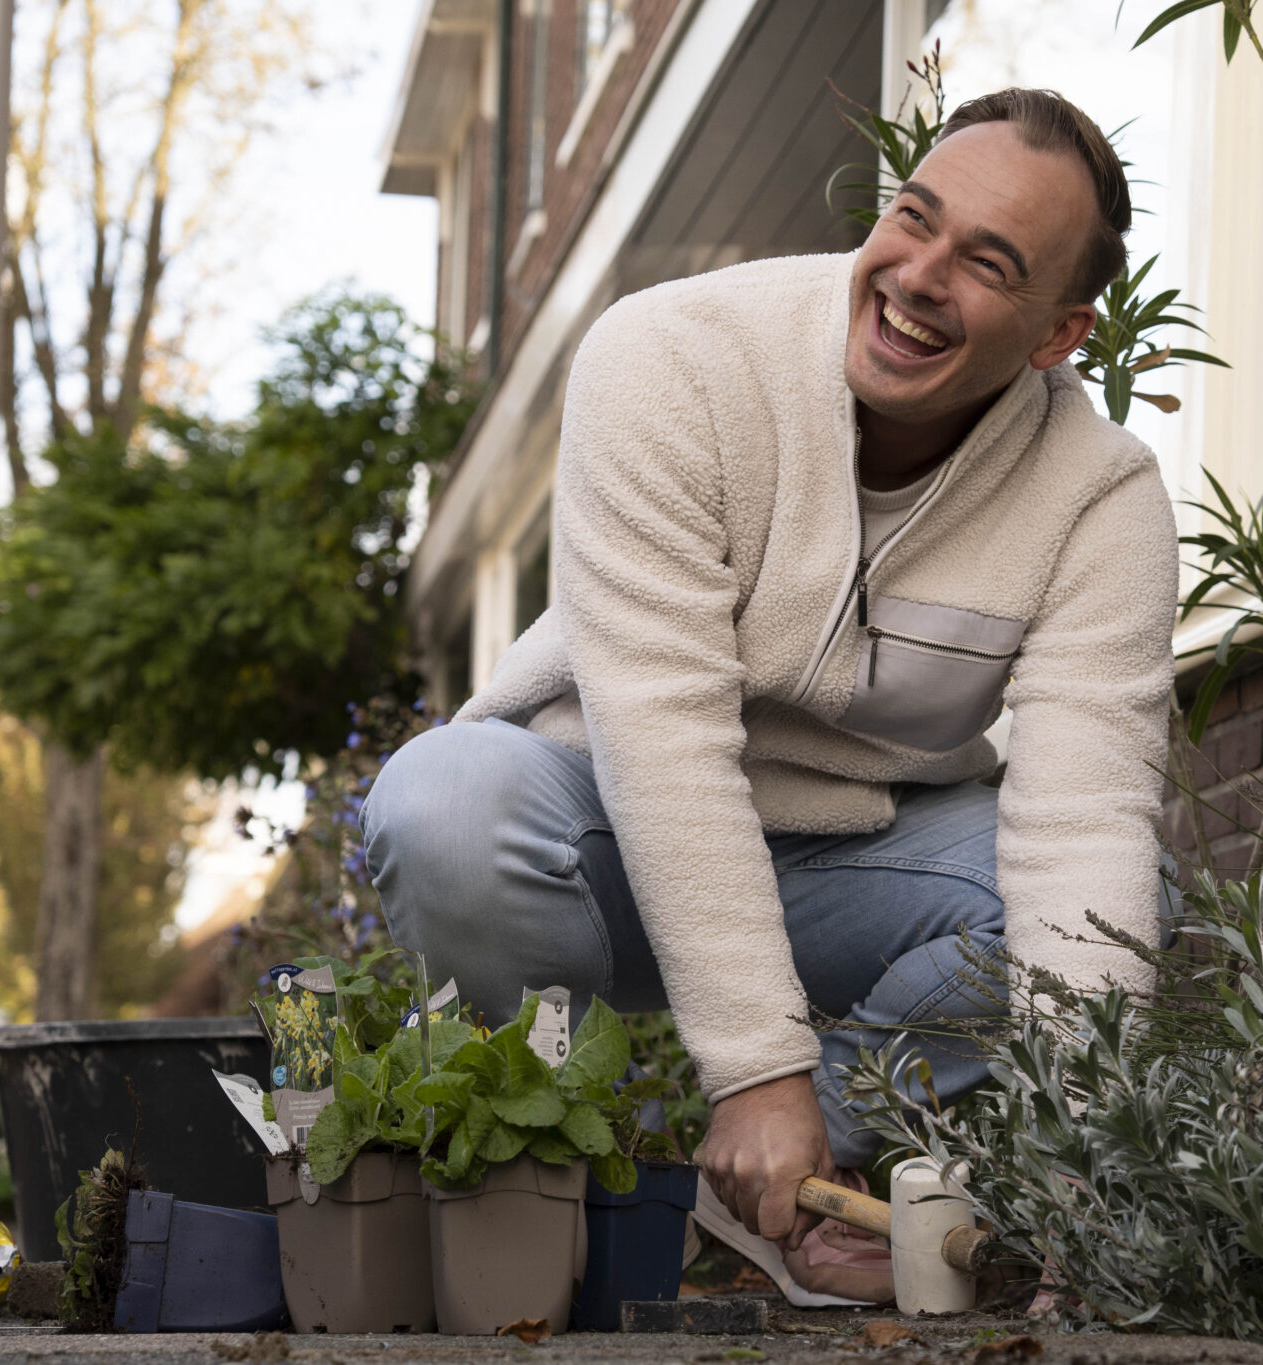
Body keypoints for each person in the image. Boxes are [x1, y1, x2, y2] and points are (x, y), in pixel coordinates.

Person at [361, 87, 1177, 1304]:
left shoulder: (1099, 500)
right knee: (441, 800)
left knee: (1118, 910)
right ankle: (555, 1162)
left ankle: (747, 1192)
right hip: (604, 837)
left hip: (857, 862)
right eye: (914, 218)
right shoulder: (674, 356)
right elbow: (665, 738)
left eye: (986, 264)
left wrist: (1081, 1162)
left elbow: (1082, 828)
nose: (915, 276)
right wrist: (753, 1070)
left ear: (1058, 335)